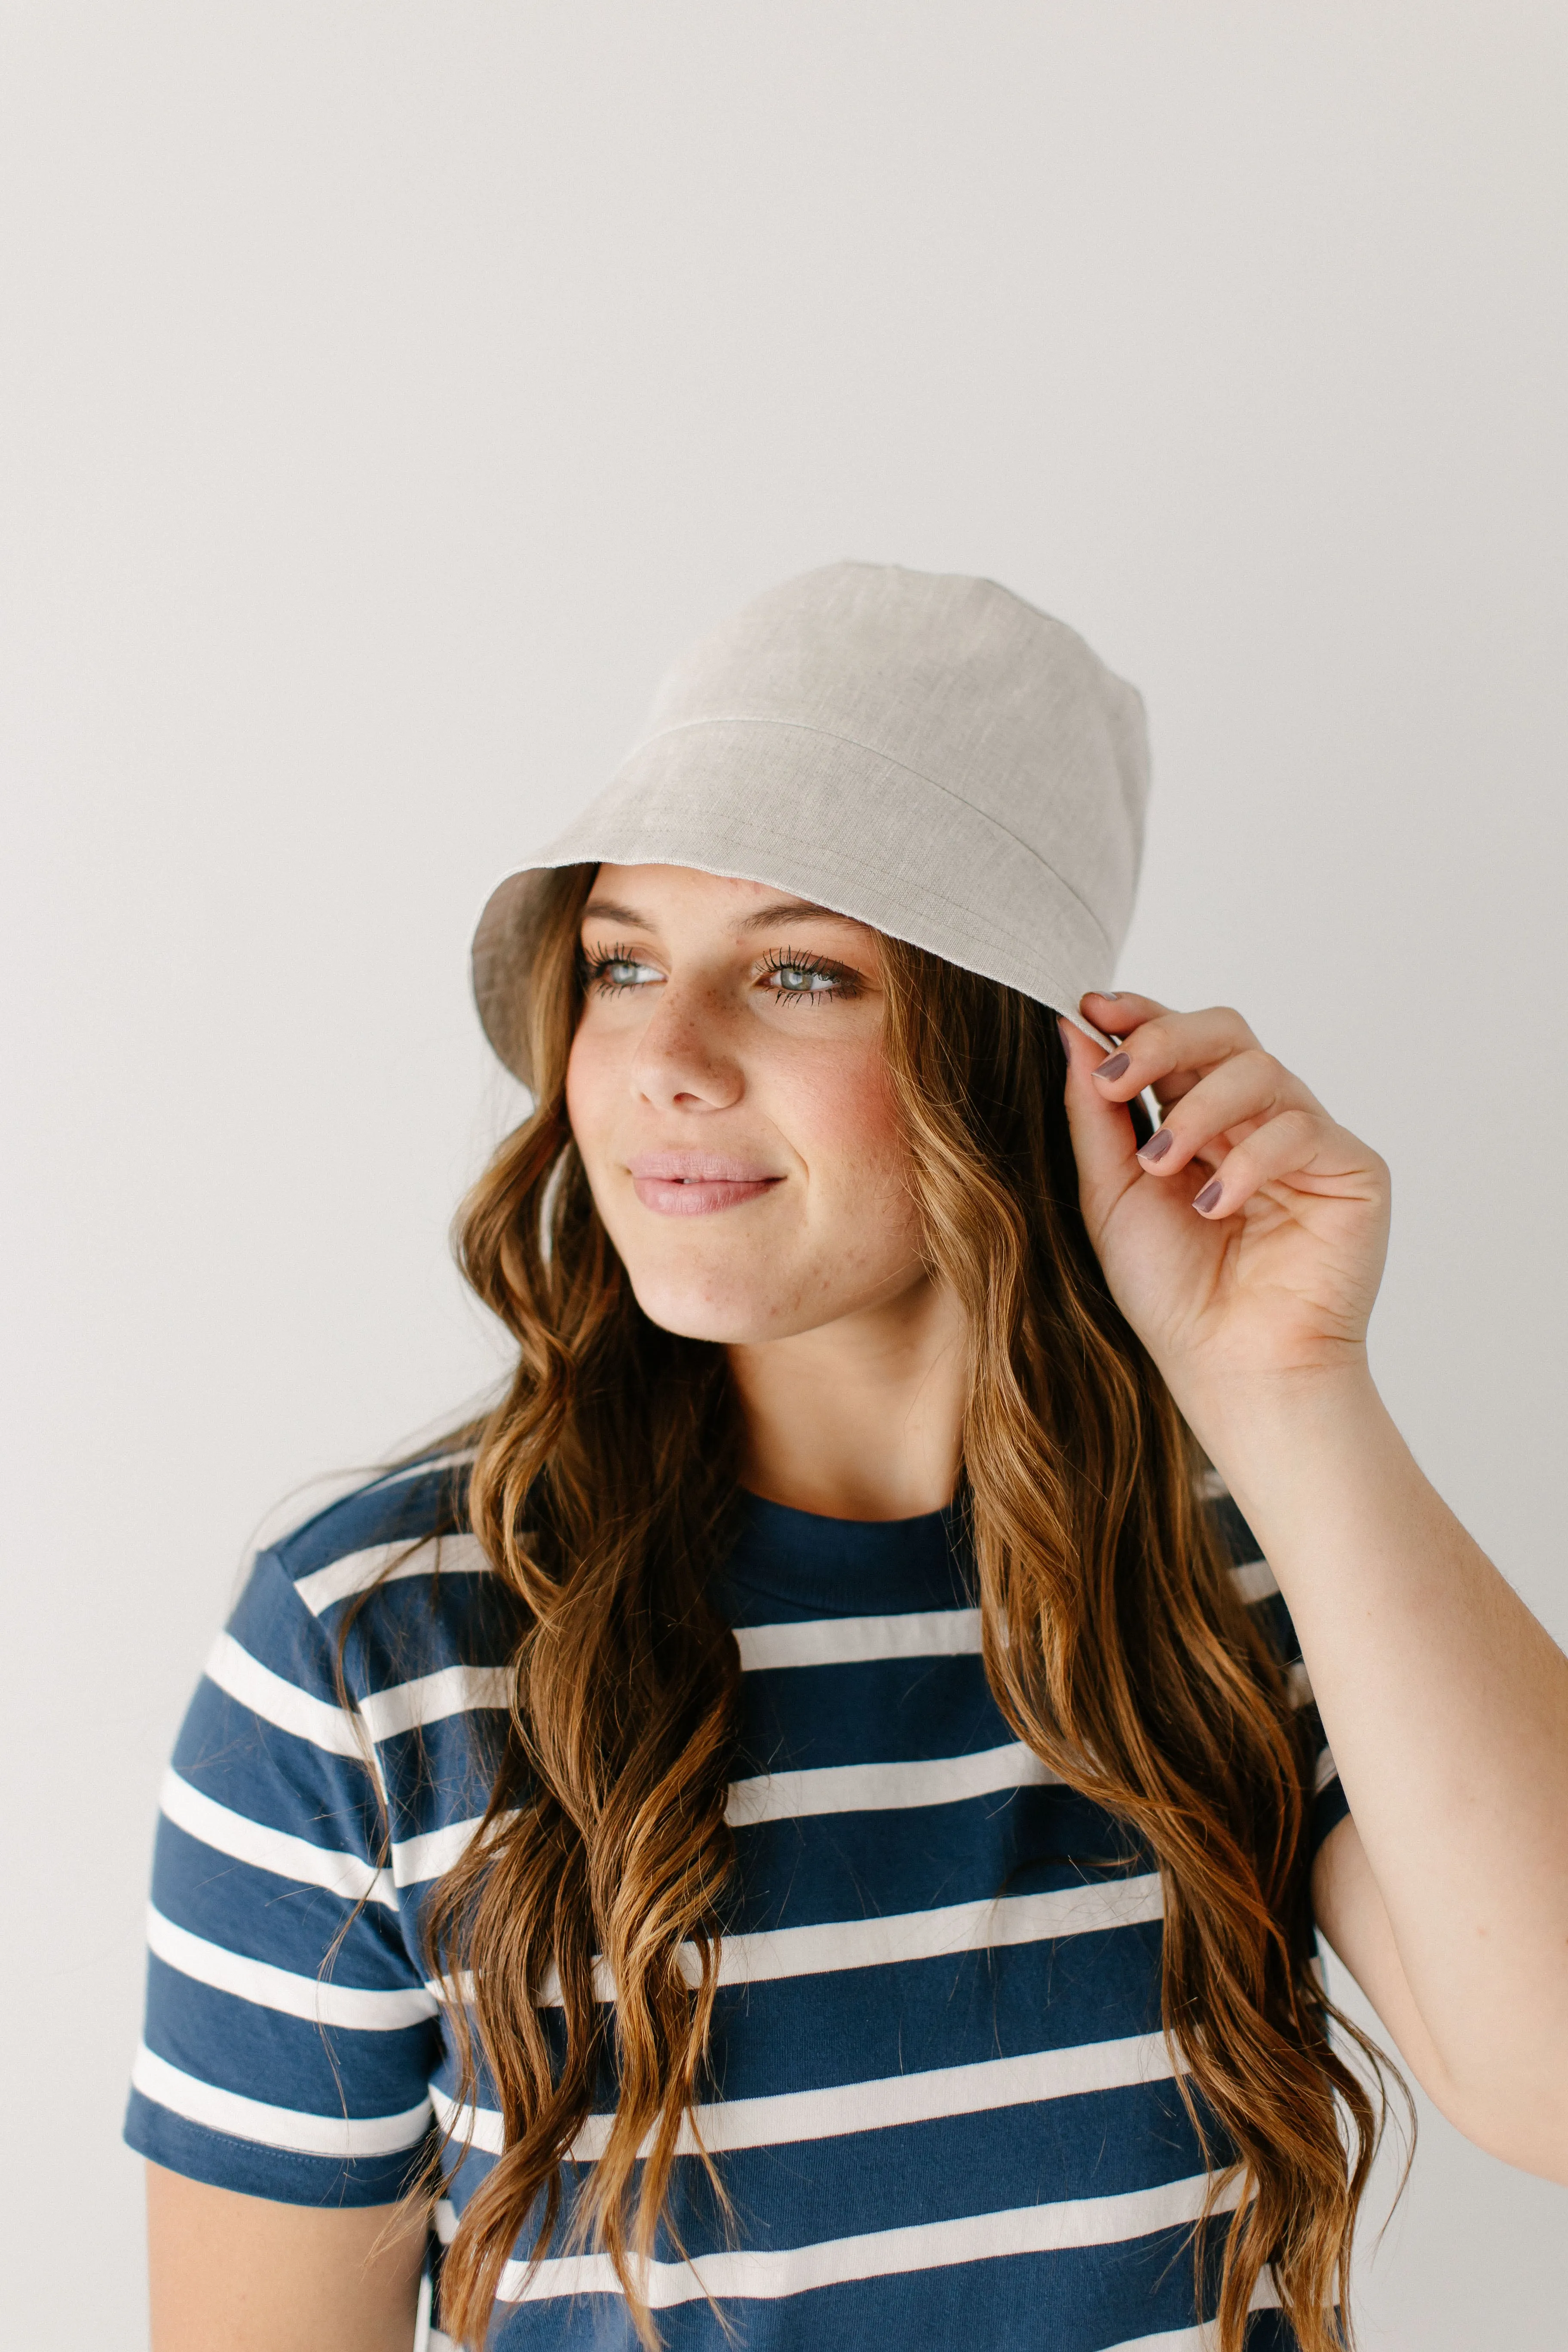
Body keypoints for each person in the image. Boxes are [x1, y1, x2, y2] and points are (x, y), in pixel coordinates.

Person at [128, 566, 1568, 2352]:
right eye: (620, 962)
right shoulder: (372, 1655)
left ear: (1024, 1057)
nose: (660, 1057)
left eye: (802, 973)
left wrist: (1290, 1386)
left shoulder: (1239, 1568)